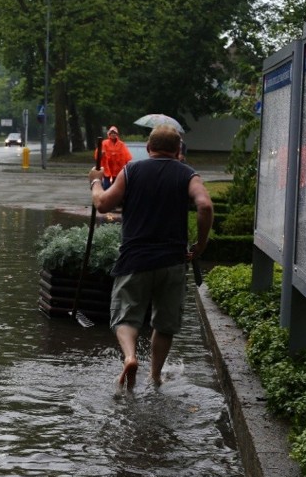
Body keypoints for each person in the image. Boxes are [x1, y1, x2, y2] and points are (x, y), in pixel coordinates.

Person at [88, 124, 213, 392]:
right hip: (172, 261)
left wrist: (96, 181)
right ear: (178, 151)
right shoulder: (189, 174)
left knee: (125, 317)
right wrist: (200, 244)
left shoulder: (132, 171)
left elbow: (102, 204)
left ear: (148, 148)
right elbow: (204, 205)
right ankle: (155, 375)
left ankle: (131, 357)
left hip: (135, 258)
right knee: (164, 323)